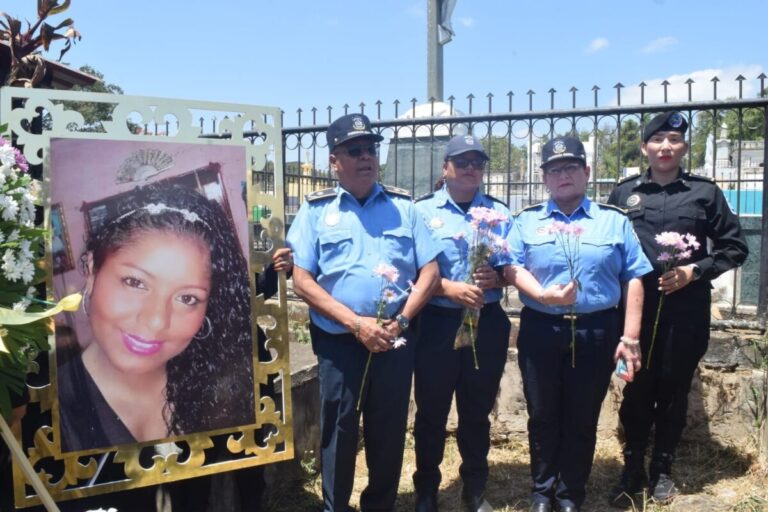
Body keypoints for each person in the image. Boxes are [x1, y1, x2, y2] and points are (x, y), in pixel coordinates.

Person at [286, 113, 440, 512]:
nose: (365, 157)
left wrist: (401, 320)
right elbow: (302, 281)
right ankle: (335, 506)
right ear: (334, 161)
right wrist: (355, 324)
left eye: (371, 148)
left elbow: (431, 272)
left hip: (395, 337)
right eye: (354, 150)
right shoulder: (315, 211)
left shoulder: (405, 208)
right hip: (340, 342)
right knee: (338, 431)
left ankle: (379, 506)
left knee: (389, 431)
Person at [503, 136, 653, 512]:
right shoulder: (527, 221)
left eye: (571, 167)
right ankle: (542, 492)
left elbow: (633, 277)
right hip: (541, 328)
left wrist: (630, 336)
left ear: (586, 172)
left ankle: (571, 494)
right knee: (542, 414)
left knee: (583, 416)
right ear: (544, 177)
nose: (563, 175)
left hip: (596, 330)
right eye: (554, 169)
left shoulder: (612, 221)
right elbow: (510, 267)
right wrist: (541, 296)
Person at [607, 112, 748, 506]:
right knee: (635, 388)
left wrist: (695, 270)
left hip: (685, 310)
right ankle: (632, 465)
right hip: (634, 312)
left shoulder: (705, 193)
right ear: (644, 147)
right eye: (658, 140)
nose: (665, 147)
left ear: (684, 147)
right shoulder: (624, 195)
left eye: (674, 139)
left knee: (673, 390)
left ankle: (663, 469)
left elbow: (735, 247)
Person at [58, 182, 257, 452]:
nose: (156, 321)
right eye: (135, 282)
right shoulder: (40, 412)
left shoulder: (218, 388)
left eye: (187, 298)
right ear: (93, 271)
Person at [411, 134, 513, 512]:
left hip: (486, 322)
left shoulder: (500, 213)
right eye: (463, 161)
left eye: (478, 163)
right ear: (445, 168)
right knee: (432, 411)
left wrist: (496, 279)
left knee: (476, 410)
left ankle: (474, 489)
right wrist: (448, 288)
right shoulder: (421, 211)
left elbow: (512, 268)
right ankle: (426, 489)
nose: (471, 169)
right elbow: (411, 271)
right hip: (436, 322)